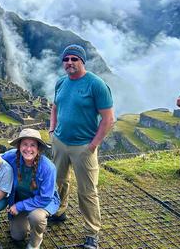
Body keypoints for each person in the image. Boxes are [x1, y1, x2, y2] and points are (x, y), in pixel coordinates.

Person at [49, 44, 115, 249]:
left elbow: (108, 119)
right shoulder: (61, 83)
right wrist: (52, 130)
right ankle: (59, 211)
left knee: (87, 191)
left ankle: (92, 233)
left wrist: (93, 145)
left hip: (83, 146)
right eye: (66, 59)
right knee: (58, 181)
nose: (69, 62)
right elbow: (55, 107)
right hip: (60, 142)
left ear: (82, 61)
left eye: (74, 59)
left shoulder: (96, 85)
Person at [4, 128, 60, 249]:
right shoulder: (12, 157)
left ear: (38, 148)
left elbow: (45, 198)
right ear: (19, 146)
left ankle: (35, 241)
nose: (28, 149)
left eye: (32, 145)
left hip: (42, 203)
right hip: (22, 200)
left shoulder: (48, 168)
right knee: (17, 236)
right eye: (25, 144)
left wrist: (18, 206)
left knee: (36, 217)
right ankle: (26, 220)